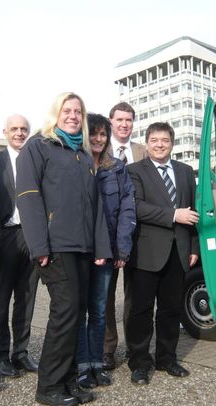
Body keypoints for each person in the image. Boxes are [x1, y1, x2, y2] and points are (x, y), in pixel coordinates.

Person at [16, 92, 112, 406]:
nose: (72, 115)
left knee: (77, 313)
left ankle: (69, 379)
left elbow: (94, 207)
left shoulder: (83, 155)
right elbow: (28, 197)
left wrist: (100, 247)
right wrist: (39, 246)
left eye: (77, 111)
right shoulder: (38, 146)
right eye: (67, 110)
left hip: (83, 248)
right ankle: (49, 385)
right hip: (55, 246)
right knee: (65, 311)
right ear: (56, 113)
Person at [126, 122, 199, 385]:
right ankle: (139, 363)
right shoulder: (134, 171)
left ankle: (167, 358)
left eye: (165, 140)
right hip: (145, 252)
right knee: (141, 310)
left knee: (171, 310)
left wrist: (193, 247)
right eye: (154, 140)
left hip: (178, 251)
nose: (159, 144)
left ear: (172, 143)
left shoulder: (185, 171)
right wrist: (172, 215)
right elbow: (136, 206)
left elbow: (193, 213)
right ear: (147, 144)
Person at [76, 113, 136, 389]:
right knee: (78, 310)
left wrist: (122, 248)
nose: (98, 139)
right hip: (79, 248)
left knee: (99, 309)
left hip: (108, 249)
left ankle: (97, 363)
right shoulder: (75, 164)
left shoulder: (117, 168)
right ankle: (80, 365)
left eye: (103, 134)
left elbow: (127, 207)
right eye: (93, 134)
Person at [0, 114, 39, 378]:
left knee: (27, 298)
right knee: (1, 298)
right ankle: (0, 356)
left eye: (24, 129)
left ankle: (21, 352)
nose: (19, 133)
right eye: (15, 129)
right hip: (6, 235)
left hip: (33, 236)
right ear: (5, 131)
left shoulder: (35, 159)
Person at [103, 102, 147, 371]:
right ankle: (108, 349)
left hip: (141, 233)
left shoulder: (142, 151)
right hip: (109, 235)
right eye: (119, 119)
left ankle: (135, 347)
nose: (124, 124)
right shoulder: (97, 148)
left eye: (129, 120)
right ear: (111, 121)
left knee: (137, 294)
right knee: (106, 295)